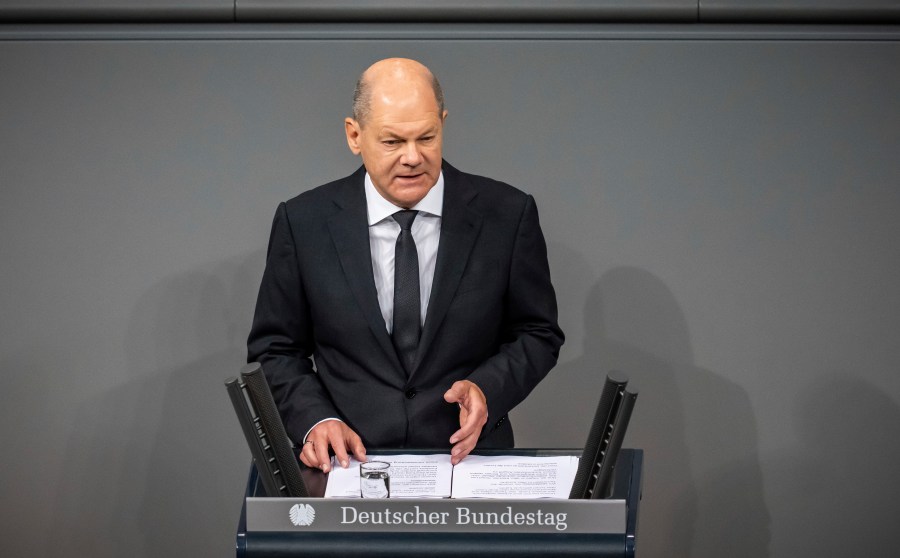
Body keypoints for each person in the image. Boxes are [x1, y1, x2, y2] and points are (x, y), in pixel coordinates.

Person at [247, 58, 563, 473]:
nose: (413, 157)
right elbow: (275, 348)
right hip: (346, 467)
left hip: (467, 464)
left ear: (443, 123)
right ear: (354, 135)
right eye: (393, 142)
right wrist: (316, 421)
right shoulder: (303, 222)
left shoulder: (507, 215)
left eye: (427, 137)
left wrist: (487, 389)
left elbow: (537, 332)